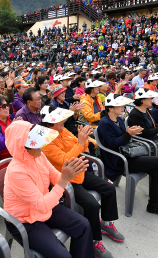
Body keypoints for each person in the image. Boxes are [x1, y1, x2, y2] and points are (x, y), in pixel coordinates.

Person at [3, 120, 95, 258]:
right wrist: (64, 179)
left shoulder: (39, 155)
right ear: (22, 147)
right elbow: (42, 205)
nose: (42, 144)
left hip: (46, 206)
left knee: (84, 225)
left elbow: (55, 176)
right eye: (36, 142)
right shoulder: (16, 171)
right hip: (25, 220)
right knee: (62, 255)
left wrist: (68, 174)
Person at [41, 105, 124, 257]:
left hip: (79, 171)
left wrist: (83, 140)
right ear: (50, 121)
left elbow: (81, 147)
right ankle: (94, 241)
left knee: (109, 189)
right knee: (92, 205)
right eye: (60, 118)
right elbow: (65, 159)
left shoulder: (62, 130)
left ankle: (105, 224)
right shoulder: (46, 140)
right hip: (65, 180)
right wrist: (80, 143)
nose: (64, 120)